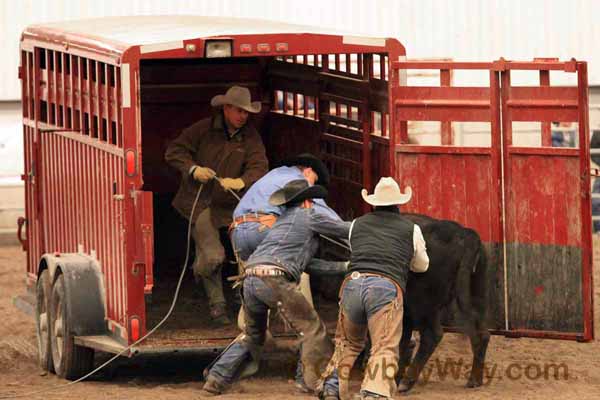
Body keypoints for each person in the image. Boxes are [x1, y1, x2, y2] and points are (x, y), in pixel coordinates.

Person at [201, 179, 351, 396]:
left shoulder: (282, 224)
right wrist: (372, 228)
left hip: (251, 278)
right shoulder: (310, 215)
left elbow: (308, 265)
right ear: (307, 201)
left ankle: (215, 380)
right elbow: (345, 230)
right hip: (274, 279)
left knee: (253, 335)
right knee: (312, 330)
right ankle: (310, 382)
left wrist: (344, 267)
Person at [165, 85, 268, 326]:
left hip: (233, 205)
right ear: (226, 109)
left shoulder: (251, 136)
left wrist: (241, 181)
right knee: (213, 257)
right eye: (239, 111)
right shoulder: (202, 129)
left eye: (246, 112)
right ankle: (217, 304)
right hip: (199, 203)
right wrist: (193, 169)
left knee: (247, 251)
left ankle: (238, 296)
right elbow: (174, 151)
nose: (243, 117)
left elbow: (259, 166)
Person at [320, 177, 429, 400]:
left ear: (374, 203)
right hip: (385, 287)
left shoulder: (356, 225)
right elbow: (421, 265)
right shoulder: (412, 229)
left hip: (352, 284)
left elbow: (357, 252)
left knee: (348, 342)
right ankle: (374, 392)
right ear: (398, 204)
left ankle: (331, 386)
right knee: (384, 346)